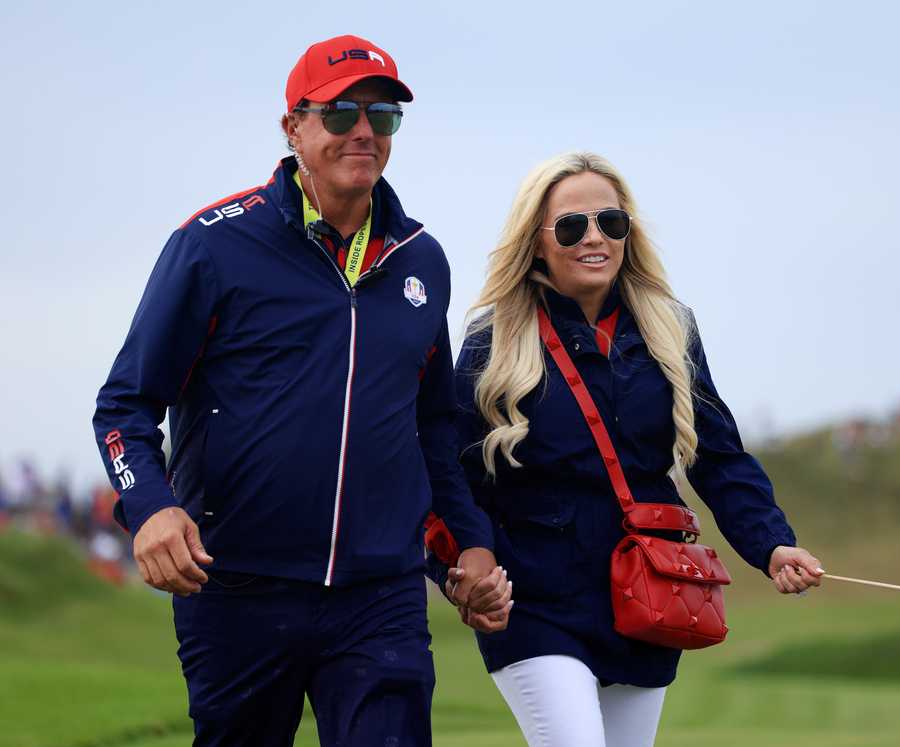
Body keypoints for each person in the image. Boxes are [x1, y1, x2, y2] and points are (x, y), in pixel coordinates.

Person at [93, 34, 510, 747]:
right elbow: (124, 406)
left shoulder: (420, 260)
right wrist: (152, 507)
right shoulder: (213, 245)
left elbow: (434, 427)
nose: (362, 132)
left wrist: (466, 543)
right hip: (238, 586)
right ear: (293, 126)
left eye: (382, 117)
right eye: (341, 111)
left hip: (379, 594)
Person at [429, 152, 823, 747]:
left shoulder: (671, 328)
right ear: (535, 242)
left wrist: (771, 544)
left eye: (610, 223)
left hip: (647, 597)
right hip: (536, 603)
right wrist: (460, 570)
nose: (594, 238)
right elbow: (450, 473)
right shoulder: (494, 340)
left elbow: (718, 457)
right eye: (571, 225)